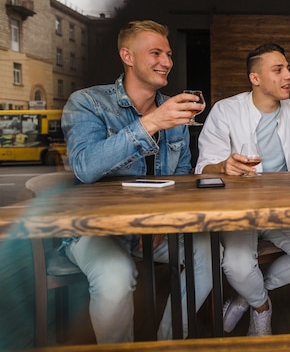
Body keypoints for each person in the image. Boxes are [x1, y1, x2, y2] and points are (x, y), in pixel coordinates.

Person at [61, 20, 213, 343]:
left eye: (169, 54)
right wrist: (151, 123)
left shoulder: (174, 112)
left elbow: (182, 178)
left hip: (155, 230)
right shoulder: (87, 103)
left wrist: (166, 218)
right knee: (116, 277)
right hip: (98, 228)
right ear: (127, 56)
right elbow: (85, 167)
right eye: (156, 53)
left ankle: (169, 343)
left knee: (211, 255)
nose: (167, 62)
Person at [195, 43, 290, 336]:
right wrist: (223, 166)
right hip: (239, 210)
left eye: (288, 68)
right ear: (255, 79)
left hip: (285, 210)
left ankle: (248, 297)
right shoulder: (226, 111)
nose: (289, 75)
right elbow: (203, 168)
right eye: (278, 70)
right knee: (237, 266)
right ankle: (262, 308)